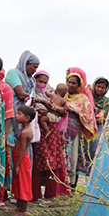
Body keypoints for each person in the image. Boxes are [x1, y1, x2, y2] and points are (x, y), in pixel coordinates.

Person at [31, 73, 71, 202]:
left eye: (44, 82)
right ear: (34, 80)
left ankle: (52, 194)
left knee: (52, 161)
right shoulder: (30, 93)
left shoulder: (51, 97)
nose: (42, 84)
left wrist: (49, 106)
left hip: (52, 132)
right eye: (39, 81)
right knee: (38, 161)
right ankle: (35, 194)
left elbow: (63, 111)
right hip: (37, 130)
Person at [65, 72, 98, 187]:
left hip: (73, 133)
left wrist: (75, 111)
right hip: (60, 133)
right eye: (69, 82)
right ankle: (60, 184)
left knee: (73, 157)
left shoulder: (83, 98)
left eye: (74, 83)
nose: (71, 85)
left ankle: (72, 183)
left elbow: (89, 115)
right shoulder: (61, 95)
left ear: (79, 85)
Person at [0, 69, 16, 207]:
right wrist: (6, 135)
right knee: (2, 162)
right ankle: (0, 197)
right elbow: (9, 114)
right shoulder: (7, 88)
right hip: (2, 131)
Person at [12, 106, 35, 216]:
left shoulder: (25, 132)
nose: (17, 116)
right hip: (20, 157)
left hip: (21, 159)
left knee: (23, 183)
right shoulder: (25, 129)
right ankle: (19, 208)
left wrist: (17, 165)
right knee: (19, 182)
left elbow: (22, 149)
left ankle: (23, 210)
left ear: (26, 118)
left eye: (19, 114)